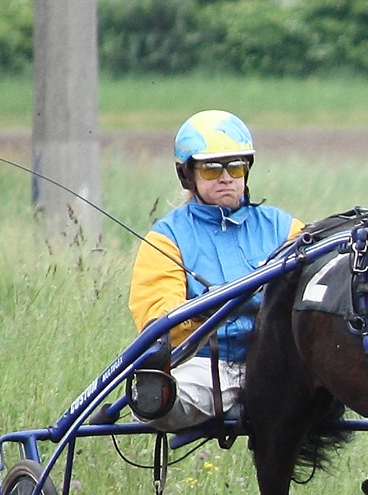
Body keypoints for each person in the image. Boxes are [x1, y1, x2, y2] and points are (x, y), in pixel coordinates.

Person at [126, 111, 301, 430]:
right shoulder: (166, 239)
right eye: (211, 168)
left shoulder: (285, 229)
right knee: (159, 406)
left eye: (235, 167)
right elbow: (159, 320)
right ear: (189, 175)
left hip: (274, 365)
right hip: (203, 367)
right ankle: (156, 399)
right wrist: (209, 309)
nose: (226, 178)